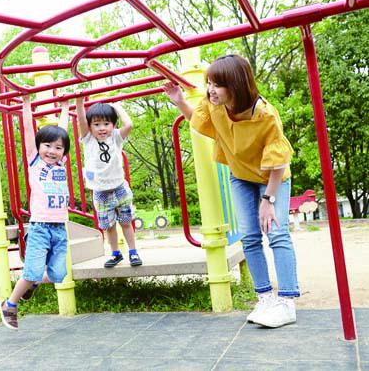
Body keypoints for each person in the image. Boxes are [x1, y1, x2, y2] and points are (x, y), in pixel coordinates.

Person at [162, 54, 300, 328]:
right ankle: (265, 298)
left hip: (271, 178)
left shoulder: (265, 115)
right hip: (240, 176)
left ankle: (286, 301)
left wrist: (268, 200)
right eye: (209, 83)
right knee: (249, 236)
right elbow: (201, 124)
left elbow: (279, 159)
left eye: (217, 84)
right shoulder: (215, 106)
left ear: (236, 84)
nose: (210, 90)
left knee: (276, 232)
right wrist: (180, 102)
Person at [0, 96, 71, 330]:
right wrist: (27, 103)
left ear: (63, 152)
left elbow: (64, 132)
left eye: (58, 147)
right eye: (47, 146)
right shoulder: (35, 163)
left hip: (60, 229)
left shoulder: (61, 165)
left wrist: (65, 108)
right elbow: (29, 132)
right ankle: (10, 305)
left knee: (59, 275)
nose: (52, 151)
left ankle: (31, 284)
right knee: (31, 271)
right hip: (40, 227)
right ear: (39, 148)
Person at [76, 98, 142, 268]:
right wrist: (79, 102)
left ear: (113, 125)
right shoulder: (88, 139)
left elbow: (129, 125)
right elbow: (81, 120)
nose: (102, 128)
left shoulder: (115, 137)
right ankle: (115, 253)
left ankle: (133, 252)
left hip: (119, 188)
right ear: (90, 127)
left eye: (106, 123)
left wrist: (118, 107)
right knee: (108, 226)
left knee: (126, 222)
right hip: (100, 192)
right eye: (96, 124)